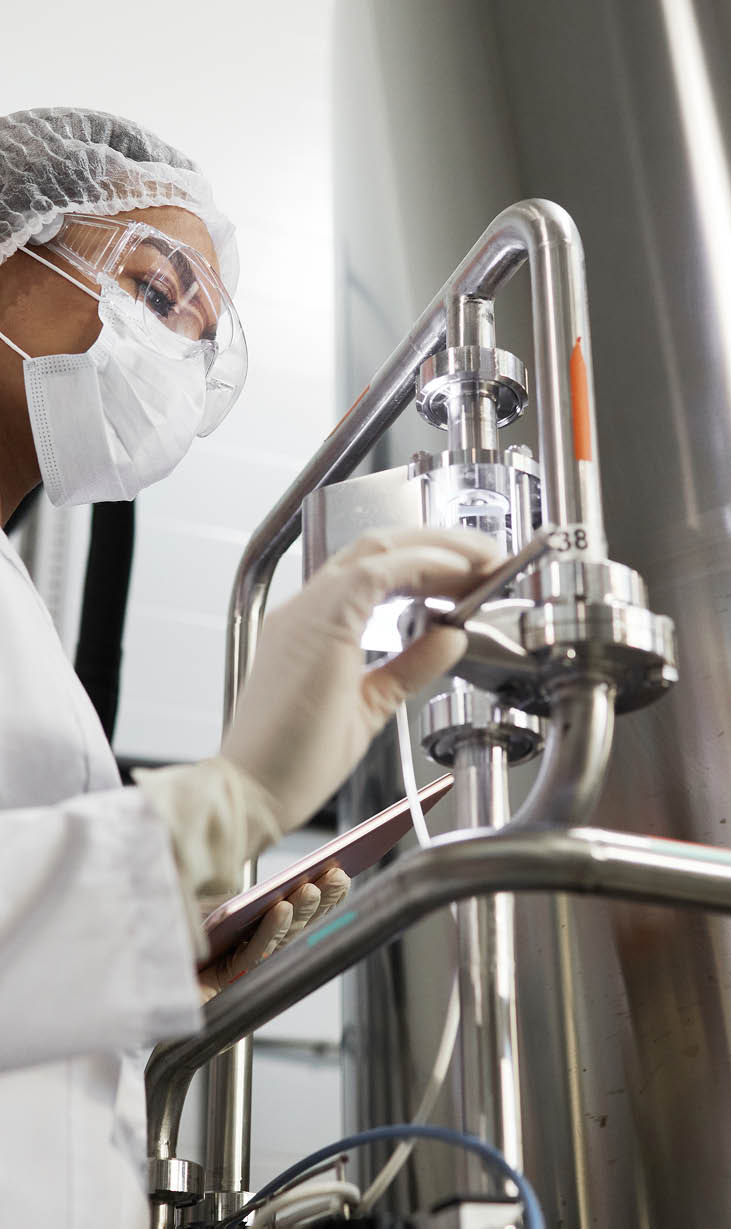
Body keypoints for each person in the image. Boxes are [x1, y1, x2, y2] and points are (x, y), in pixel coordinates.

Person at [0, 109, 498, 1227]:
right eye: (153, 286)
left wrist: (156, 948)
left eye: (198, 327)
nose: (171, 347)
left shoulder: (23, 625)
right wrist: (228, 802)